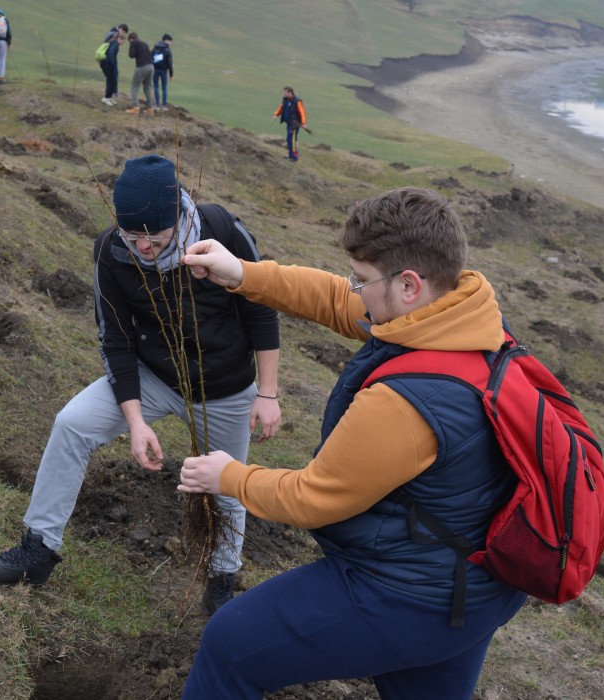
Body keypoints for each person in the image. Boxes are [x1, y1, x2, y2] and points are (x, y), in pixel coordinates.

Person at [176, 187, 529, 697]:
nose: (354, 291)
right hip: (473, 586)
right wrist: (244, 274)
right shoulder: (467, 320)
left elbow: (313, 498)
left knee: (231, 645)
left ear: (409, 285)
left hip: (410, 594)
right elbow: (338, 302)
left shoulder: (404, 406)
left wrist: (227, 476)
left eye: (362, 280)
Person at [0, 155, 282, 614]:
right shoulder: (112, 251)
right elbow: (115, 340)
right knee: (71, 424)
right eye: (134, 238)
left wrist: (268, 394)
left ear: (178, 219)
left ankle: (221, 578)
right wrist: (135, 422)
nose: (145, 248)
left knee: (227, 484)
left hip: (225, 389)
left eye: (156, 238)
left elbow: (262, 308)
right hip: (155, 377)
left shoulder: (222, 231)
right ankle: (37, 550)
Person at [272, 86, 307, 161]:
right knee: (288, 139)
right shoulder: (285, 100)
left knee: (292, 140)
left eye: (285, 92)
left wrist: (303, 123)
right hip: (289, 123)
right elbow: (281, 108)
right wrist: (276, 115)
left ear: (290, 92)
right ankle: (290, 155)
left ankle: (294, 157)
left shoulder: (297, 101)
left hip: (295, 124)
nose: (284, 94)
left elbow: (302, 112)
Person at [126, 31, 153, 114]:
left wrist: (131, 46)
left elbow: (131, 55)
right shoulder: (145, 44)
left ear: (130, 39)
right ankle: (150, 109)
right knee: (147, 88)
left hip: (142, 67)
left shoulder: (133, 42)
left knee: (135, 86)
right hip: (151, 67)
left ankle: (135, 107)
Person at [98, 24, 124, 106]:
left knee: (112, 80)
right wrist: (113, 64)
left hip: (106, 63)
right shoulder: (115, 44)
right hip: (107, 64)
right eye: (123, 41)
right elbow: (111, 54)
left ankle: (109, 97)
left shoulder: (112, 42)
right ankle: (106, 98)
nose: (123, 43)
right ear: (120, 39)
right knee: (111, 80)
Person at [151, 33, 172, 111]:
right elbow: (169, 63)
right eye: (170, 41)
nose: (170, 43)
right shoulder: (167, 50)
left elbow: (150, 58)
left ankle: (156, 104)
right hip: (163, 71)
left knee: (156, 86)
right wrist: (171, 74)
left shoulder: (155, 48)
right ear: (166, 40)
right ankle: (164, 105)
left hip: (155, 70)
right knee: (164, 87)